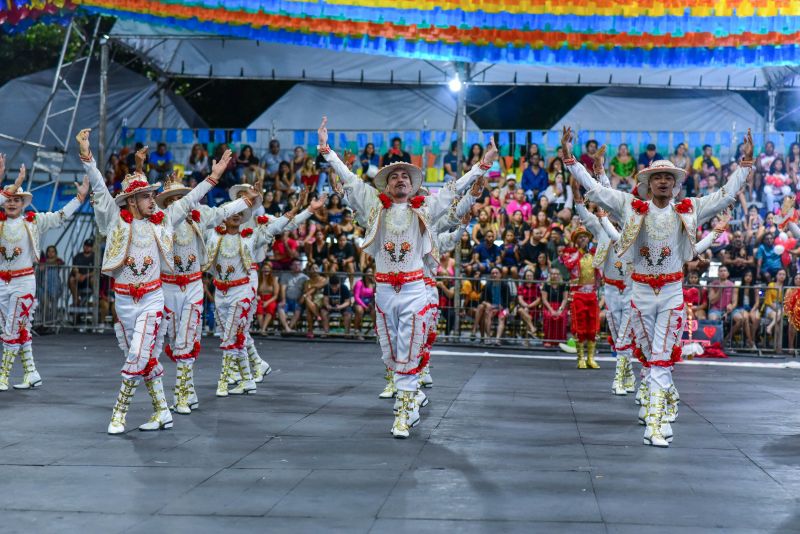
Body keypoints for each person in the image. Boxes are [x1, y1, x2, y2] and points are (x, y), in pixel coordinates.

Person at [564, 124, 754, 448]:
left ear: (676, 184)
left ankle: (653, 424)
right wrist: (570, 160)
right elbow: (595, 190)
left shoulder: (689, 209)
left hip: (671, 293)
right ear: (648, 184)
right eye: (657, 177)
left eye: (669, 177)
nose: (663, 181)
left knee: (662, 357)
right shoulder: (630, 207)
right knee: (651, 357)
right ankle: (666, 402)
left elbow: (723, 195)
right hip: (637, 293)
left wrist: (745, 167)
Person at [317, 115, 495, 438]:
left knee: (410, 348)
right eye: (394, 176)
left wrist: (481, 166)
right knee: (391, 353)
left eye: (405, 176)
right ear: (386, 185)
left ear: (413, 185)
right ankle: (409, 400)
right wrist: (328, 152)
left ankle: (403, 413)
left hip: (415, 289)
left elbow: (455, 189)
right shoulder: (374, 206)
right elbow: (352, 183)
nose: (400, 179)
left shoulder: (426, 208)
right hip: (384, 292)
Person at [78, 128, 240, 434]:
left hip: (153, 299)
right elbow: (99, 188)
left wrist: (214, 176)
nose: (153, 200)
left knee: (139, 353)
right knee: (144, 357)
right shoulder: (116, 220)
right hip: (124, 301)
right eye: (146, 196)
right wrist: (87, 157)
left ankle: (119, 413)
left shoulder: (163, 220)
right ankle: (162, 411)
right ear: (130, 202)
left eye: (153, 195)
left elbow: (190, 198)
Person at [152, 156, 253, 414]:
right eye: (173, 200)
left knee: (188, 339)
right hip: (169, 287)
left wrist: (245, 201)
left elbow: (222, 212)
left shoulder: (199, 217)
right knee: (175, 341)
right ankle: (190, 390)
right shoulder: (163, 222)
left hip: (194, 286)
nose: (178, 203)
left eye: (180, 198)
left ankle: (182, 395)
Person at [0, 161, 83, 392]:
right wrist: (11, 184)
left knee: (12, 330)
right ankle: (31, 372)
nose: (12, 203)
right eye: (9, 199)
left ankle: (3, 376)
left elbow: (59, 216)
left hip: (23, 281)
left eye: (17, 199)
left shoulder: (33, 222)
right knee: (19, 330)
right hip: (1, 282)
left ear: (24, 204)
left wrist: (79, 198)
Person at [559, 224, 601, 369]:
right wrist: (580, 251)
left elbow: (600, 271)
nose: (583, 239)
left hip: (591, 294)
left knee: (593, 325)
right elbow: (568, 265)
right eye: (580, 238)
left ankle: (591, 358)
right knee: (579, 325)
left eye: (585, 237)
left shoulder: (595, 254)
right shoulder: (571, 254)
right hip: (578, 295)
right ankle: (581, 358)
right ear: (576, 241)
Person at [278, 260, 309, 333]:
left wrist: (302, 298)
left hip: (297, 300)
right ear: (291, 266)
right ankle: (287, 328)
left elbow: (306, 290)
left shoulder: (305, 278)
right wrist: (283, 299)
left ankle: (288, 328)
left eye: (298, 265)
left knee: (298, 310)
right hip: (287, 299)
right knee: (280, 307)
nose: (297, 266)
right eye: (295, 265)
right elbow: (283, 289)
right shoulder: (285, 275)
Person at [68, 238, 96, 306]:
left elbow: (97, 271)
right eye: (86, 245)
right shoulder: (78, 256)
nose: (87, 247)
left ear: (92, 247)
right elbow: (75, 268)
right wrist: (77, 274)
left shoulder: (96, 257)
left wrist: (85, 276)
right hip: (79, 279)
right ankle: (76, 300)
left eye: (89, 246)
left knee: (94, 280)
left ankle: (96, 300)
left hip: (89, 279)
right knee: (71, 279)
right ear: (83, 246)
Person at [256, 262, 280, 335]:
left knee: (271, 307)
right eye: (264, 269)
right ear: (261, 270)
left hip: (270, 298)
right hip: (260, 298)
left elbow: (276, 295)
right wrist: (256, 296)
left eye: (268, 269)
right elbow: (254, 291)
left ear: (270, 270)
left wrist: (267, 302)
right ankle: (262, 329)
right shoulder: (258, 279)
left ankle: (263, 329)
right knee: (258, 308)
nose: (266, 270)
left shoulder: (274, 280)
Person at [353, 268, 375, 340]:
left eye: (371, 272)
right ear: (364, 273)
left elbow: (376, 296)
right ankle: (357, 331)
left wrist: (371, 303)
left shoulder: (374, 284)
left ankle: (377, 331)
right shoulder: (359, 283)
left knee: (375, 311)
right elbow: (356, 297)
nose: (370, 273)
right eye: (369, 271)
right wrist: (364, 306)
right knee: (359, 310)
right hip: (360, 303)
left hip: (370, 304)